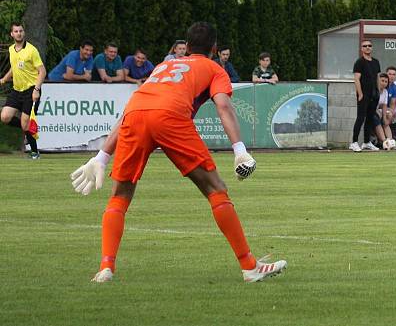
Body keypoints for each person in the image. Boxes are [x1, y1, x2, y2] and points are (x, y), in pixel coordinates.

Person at [68, 22, 286, 283]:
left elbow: (133, 108)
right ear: (214, 48)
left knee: (121, 195)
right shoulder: (214, 67)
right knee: (215, 189)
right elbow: (224, 106)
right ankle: (249, 266)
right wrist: (239, 150)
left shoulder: (163, 66)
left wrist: (102, 156)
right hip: (170, 116)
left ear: (187, 46)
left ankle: (106, 267)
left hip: (135, 116)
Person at [0, 22, 46, 159]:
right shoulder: (11, 49)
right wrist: (4, 79)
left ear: (23, 33)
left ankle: (35, 152)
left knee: (26, 123)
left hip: (31, 90)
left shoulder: (32, 50)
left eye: (21, 31)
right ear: (12, 34)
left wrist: (36, 89)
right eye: (16, 31)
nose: (19, 33)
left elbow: (42, 72)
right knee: (5, 117)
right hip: (16, 90)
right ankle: (25, 130)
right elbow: (14, 68)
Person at [350, 40, 381, 152]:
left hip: (374, 94)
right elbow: (356, 79)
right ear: (361, 49)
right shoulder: (359, 62)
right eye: (365, 46)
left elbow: (377, 77)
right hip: (364, 95)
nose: (367, 47)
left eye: (369, 46)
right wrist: (360, 94)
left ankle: (366, 142)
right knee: (360, 118)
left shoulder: (376, 62)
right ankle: (354, 142)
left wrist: (379, 91)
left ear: (371, 48)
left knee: (370, 118)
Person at [374, 72, 396, 149]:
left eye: (386, 82)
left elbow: (384, 106)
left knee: (388, 116)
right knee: (376, 117)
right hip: (371, 111)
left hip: (378, 110)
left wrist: (384, 118)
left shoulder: (385, 92)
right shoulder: (374, 90)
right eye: (382, 81)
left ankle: (391, 141)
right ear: (378, 81)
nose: (384, 83)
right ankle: (385, 141)